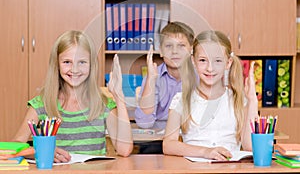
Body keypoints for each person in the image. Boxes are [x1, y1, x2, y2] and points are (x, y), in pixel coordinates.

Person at [12, 30, 133, 162]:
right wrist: (40, 152)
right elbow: (15, 145)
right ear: (57, 65)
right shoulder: (42, 103)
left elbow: (124, 149)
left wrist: (119, 97)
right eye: (67, 62)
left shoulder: (103, 104)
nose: (74, 69)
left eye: (82, 62)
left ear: (92, 65)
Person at [163, 30, 258, 160]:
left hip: (229, 169)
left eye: (218, 61)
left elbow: (250, 147)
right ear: (193, 61)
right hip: (193, 169)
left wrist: (252, 101)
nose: (210, 68)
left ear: (228, 63)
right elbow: (168, 145)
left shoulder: (238, 100)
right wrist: (205, 152)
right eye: (203, 60)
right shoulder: (181, 100)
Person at [134, 21, 195, 130]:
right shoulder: (153, 76)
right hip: (158, 139)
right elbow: (144, 123)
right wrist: (151, 80)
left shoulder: (200, 76)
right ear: (161, 51)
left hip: (191, 136)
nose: (175, 51)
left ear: (191, 50)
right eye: (168, 46)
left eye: (181, 46)